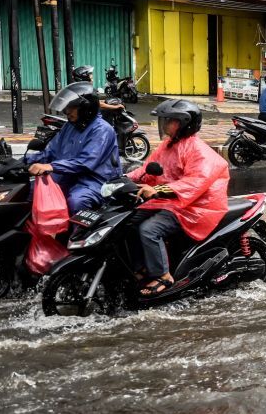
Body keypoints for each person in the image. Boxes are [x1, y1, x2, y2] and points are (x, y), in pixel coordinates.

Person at [126, 99, 229, 296]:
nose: (164, 125)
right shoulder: (167, 145)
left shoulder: (198, 150)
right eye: (164, 120)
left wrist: (158, 190)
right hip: (170, 201)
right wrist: (124, 179)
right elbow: (148, 169)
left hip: (194, 207)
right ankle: (141, 268)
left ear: (184, 124)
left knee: (148, 230)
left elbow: (195, 182)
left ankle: (163, 275)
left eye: (169, 120)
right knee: (127, 223)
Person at [26, 82, 122, 214]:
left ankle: (77, 234)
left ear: (86, 108)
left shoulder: (102, 130)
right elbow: (50, 152)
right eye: (67, 107)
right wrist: (25, 161)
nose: (67, 111)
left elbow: (85, 162)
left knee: (76, 201)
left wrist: (51, 167)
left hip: (95, 182)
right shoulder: (69, 126)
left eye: (72, 107)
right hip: (68, 176)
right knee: (31, 191)